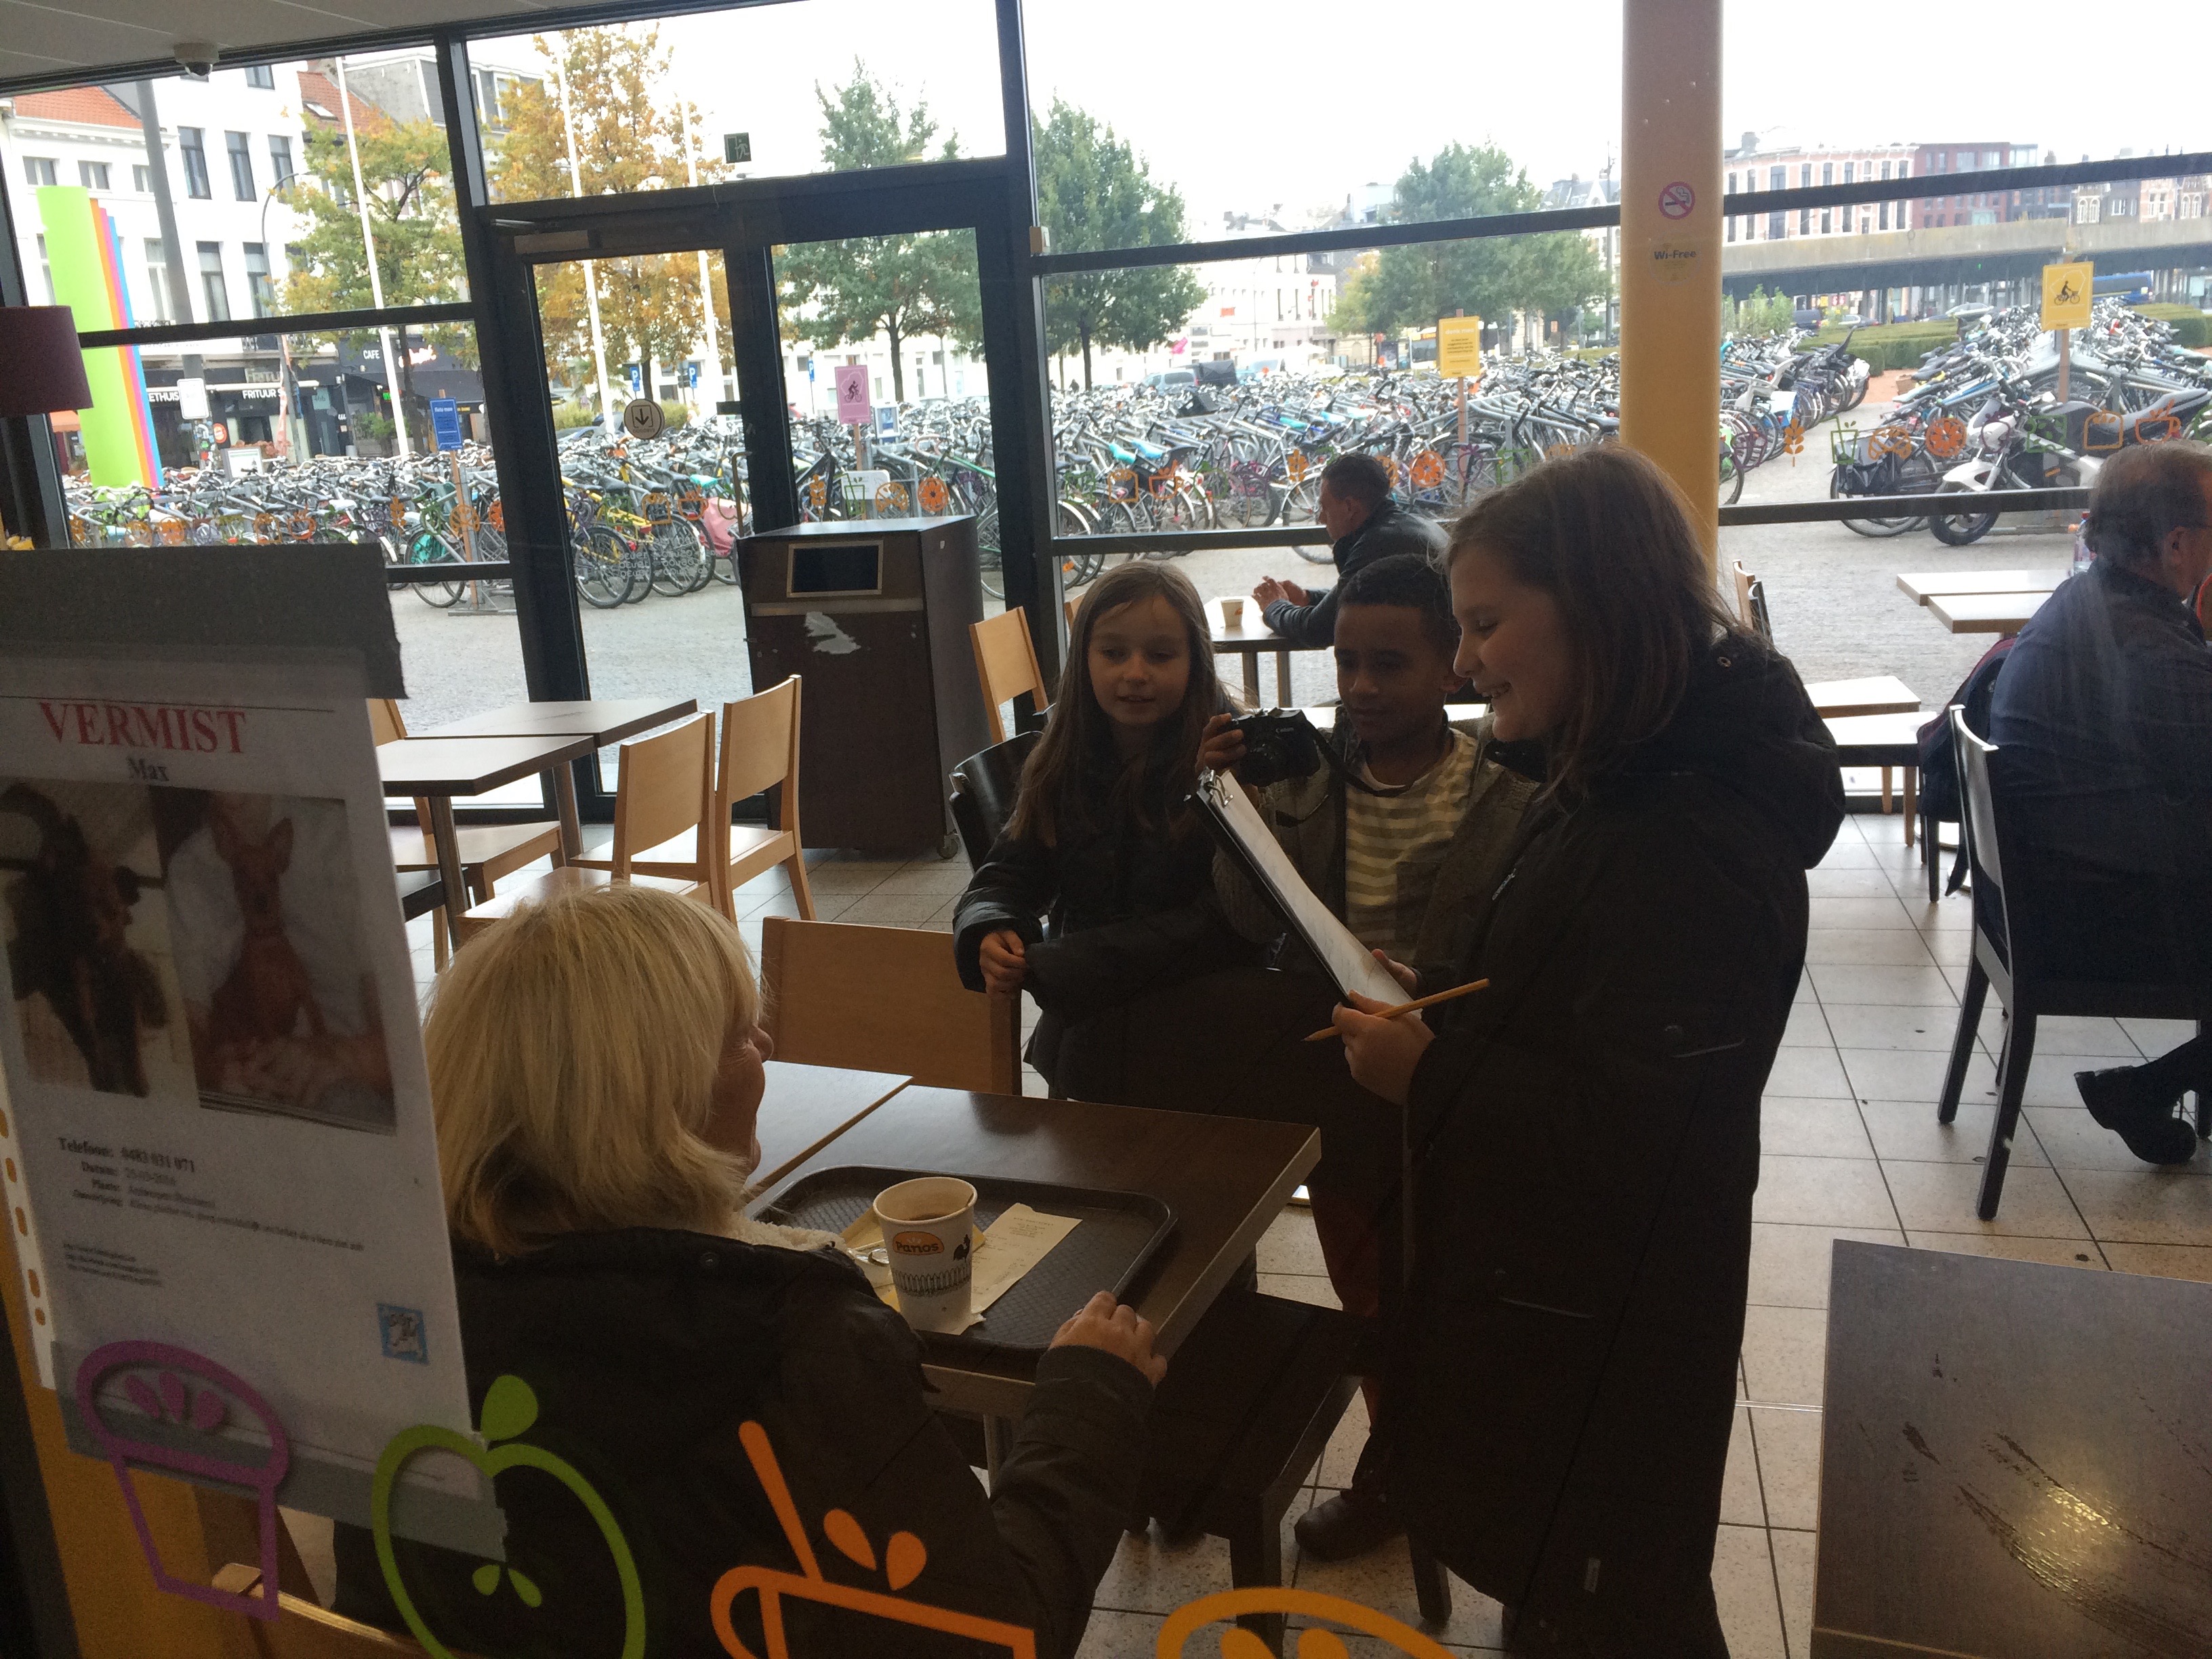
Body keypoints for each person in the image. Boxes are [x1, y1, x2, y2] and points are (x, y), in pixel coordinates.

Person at [332, 885, 1164, 1659]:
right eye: (737, 1034)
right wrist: (1086, 1403)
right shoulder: (793, 1347)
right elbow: (1002, 1638)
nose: (765, 1045)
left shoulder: (396, 1330)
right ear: (662, 1101)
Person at [1332, 448, 1843, 1656]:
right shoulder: (1619, 772)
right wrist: (1449, 1003)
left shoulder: (1688, 837)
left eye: (1485, 625)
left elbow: (1639, 1133)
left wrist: (1429, 1071)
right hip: (1572, 1304)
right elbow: (1585, 1000)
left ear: (1598, 610)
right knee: (1584, 1594)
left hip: (1611, 1326)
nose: (1463, 664)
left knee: (1613, 1605)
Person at [1197, 552, 1536, 1561]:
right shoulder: (1308, 782)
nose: (1360, 688)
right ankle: (1395, 1470)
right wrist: (1233, 807)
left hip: (1452, 1063)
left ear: (1453, 666)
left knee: (1448, 1281)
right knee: (1370, 1282)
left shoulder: (1499, 789)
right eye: (1346, 663)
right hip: (1345, 1070)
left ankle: (1443, 1459)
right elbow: (1250, 913)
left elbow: (1514, 950)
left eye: (1390, 664)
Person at [1985, 438, 2212, 1165]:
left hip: (2052, 894)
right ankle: (2145, 1089)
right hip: (2097, 918)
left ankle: (2146, 1089)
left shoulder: (2089, 600)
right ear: (2176, 544)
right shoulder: (2146, 646)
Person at [954, 562, 1241, 1097]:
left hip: (1203, 1026)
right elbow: (1007, 874)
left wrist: (1069, 965)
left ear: (1196, 662)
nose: (1135, 673)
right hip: (1088, 1028)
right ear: (1084, 659)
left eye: (1161, 656)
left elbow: (1227, 921)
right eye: (1113, 653)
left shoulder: (1228, 760)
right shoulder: (1063, 760)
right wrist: (992, 926)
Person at [1252, 453, 1446, 648]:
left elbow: (1317, 629)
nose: (1320, 518)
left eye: (1324, 507)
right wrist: (1307, 597)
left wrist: (1274, 606)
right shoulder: (1411, 526)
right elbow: (1356, 596)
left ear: (1349, 507)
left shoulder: (1378, 545)